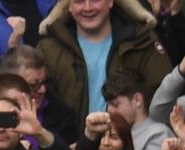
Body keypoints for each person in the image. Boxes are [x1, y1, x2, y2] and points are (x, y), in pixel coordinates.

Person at [36, 0, 172, 135]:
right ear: (68, 6)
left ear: (111, 2)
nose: (88, 8)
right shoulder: (48, 50)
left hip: (132, 144)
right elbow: (41, 106)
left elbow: (163, 97)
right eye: (79, 1)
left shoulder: (142, 41)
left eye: (95, 0)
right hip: (70, 145)